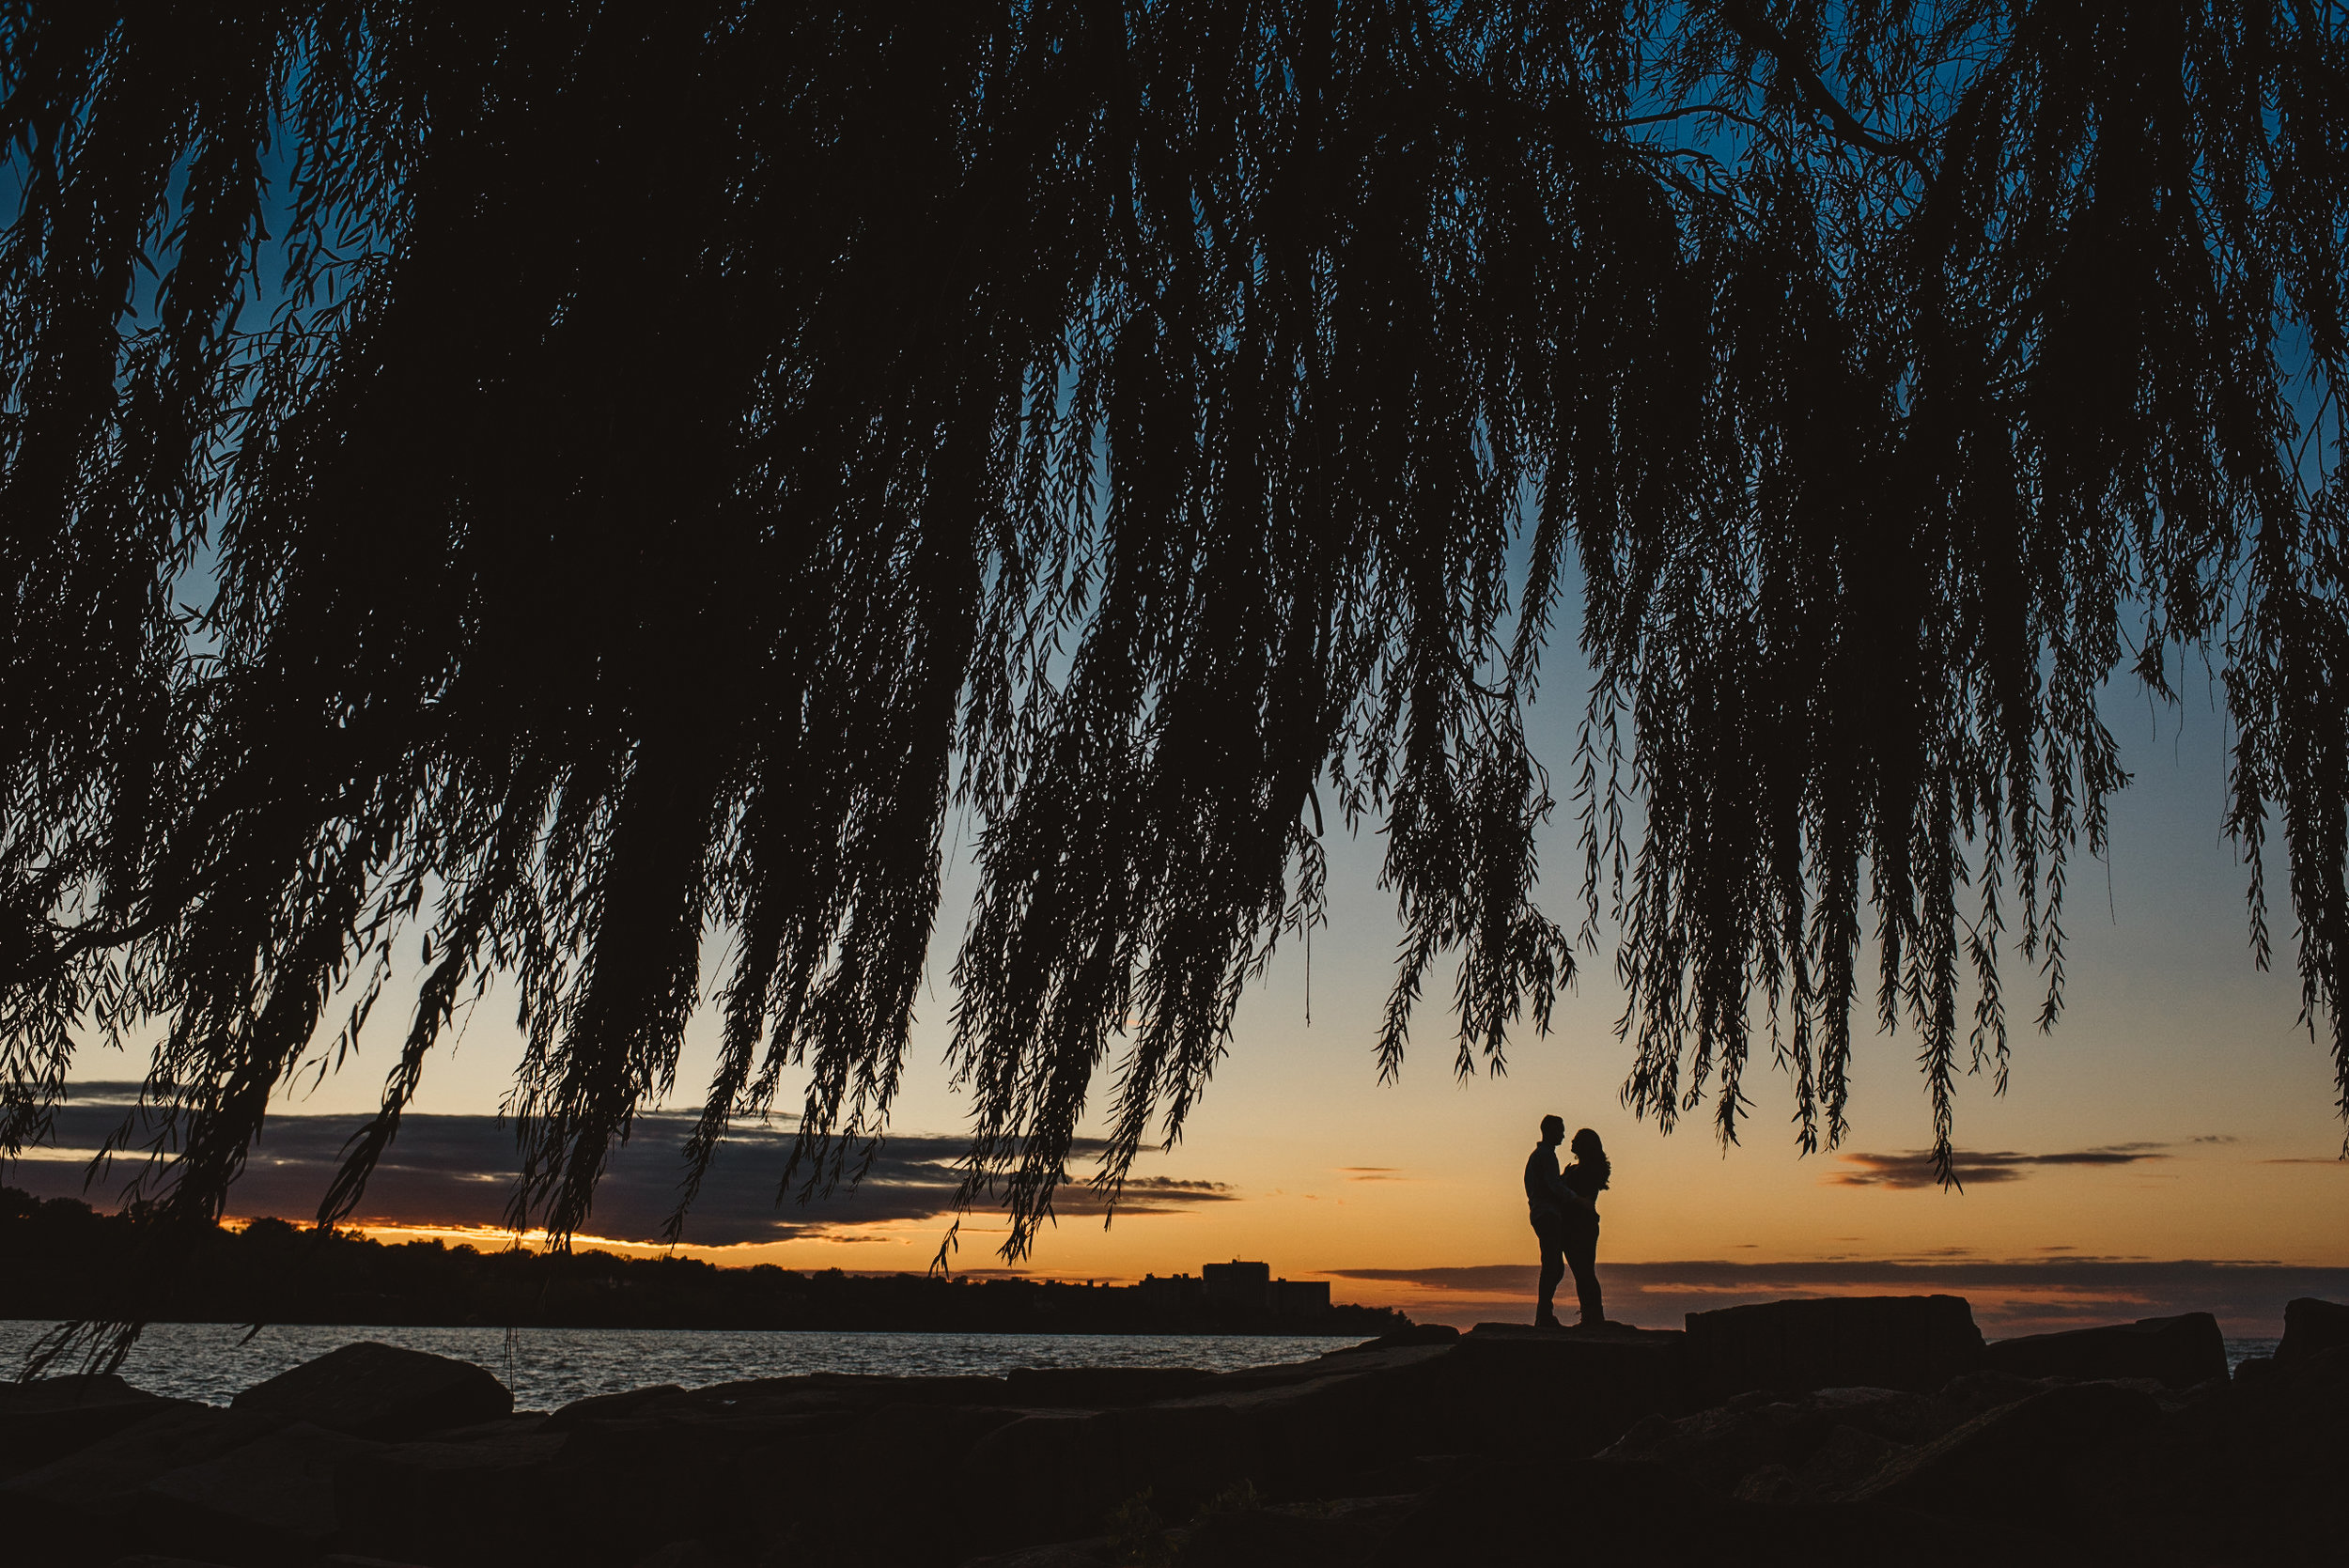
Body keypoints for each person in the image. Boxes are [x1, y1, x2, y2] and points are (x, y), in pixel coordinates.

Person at [1524, 1114, 1596, 1328]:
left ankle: (1544, 1313)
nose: (1564, 1135)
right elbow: (1554, 1186)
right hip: (1547, 1214)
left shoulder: (1540, 1156)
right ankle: (1544, 1315)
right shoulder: (1546, 1156)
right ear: (1549, 1131)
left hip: (1543, 1213)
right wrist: (1579, 1200)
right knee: (1552, 1267)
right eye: (1561, 1130)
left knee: (1554, 1267)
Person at [1557, 1126, 1610, 1327]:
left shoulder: (1588, 1171)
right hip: (1572, 1225)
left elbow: (1581, 1197)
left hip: (1583, 1225)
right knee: (1581, 1272)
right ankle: (1590, 1314)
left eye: (1576, 1140)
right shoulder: (1575, 1169)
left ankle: (1593, 1315)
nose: (1571, 1142)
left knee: (1584, 1271)